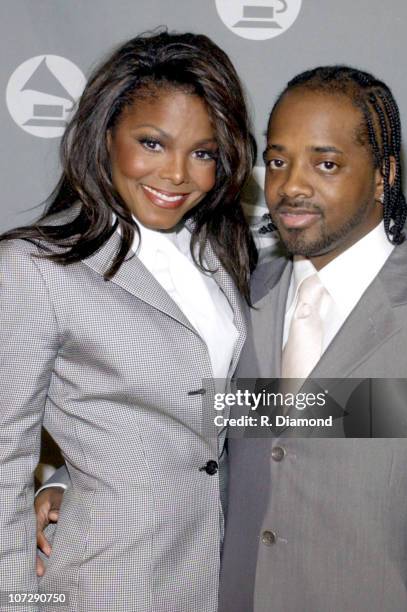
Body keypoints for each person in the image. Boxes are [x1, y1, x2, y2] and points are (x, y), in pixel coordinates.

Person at [0, 30, 256, 612]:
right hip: (107, 581)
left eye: (203, 152)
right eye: (152, 142)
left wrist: (402, 408)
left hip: (215, 572)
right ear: (105, 133)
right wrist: (17, 603)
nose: (176, 175)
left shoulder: (217, 257)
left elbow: (202, 414)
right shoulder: (36, 267)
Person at [218, 66, 407, 611]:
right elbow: (179, 438)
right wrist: (64, 482)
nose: (291, 185)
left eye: (326, 163)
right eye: (277, 162)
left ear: (382, 176)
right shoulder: (233, 304)